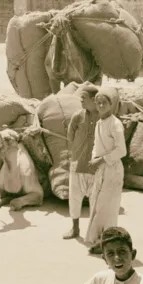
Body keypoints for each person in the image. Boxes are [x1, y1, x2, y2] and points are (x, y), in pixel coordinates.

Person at [86, 86, 127, 255]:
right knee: (96, 205)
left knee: (107, 208)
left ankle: (109, 243)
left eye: (104, 103)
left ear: (111, 105)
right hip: (101, 169)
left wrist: (102, 159)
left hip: (113, 170)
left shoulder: (115, 124)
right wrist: (94, 159)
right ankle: (99, 240)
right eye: (98, 102)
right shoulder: (99, 123)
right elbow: (97, 145)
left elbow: (121, 151)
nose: (101, 105)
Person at [63, 83, 100, 240]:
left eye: (84, 98)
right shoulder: (78, 116)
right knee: (75, 197)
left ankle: (95, 231)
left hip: (96, 165)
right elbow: (70, 136)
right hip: (77, 162)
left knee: (96, 199)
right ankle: (75, 228)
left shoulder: (103, 117)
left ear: (94, 99)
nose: (81, 101)